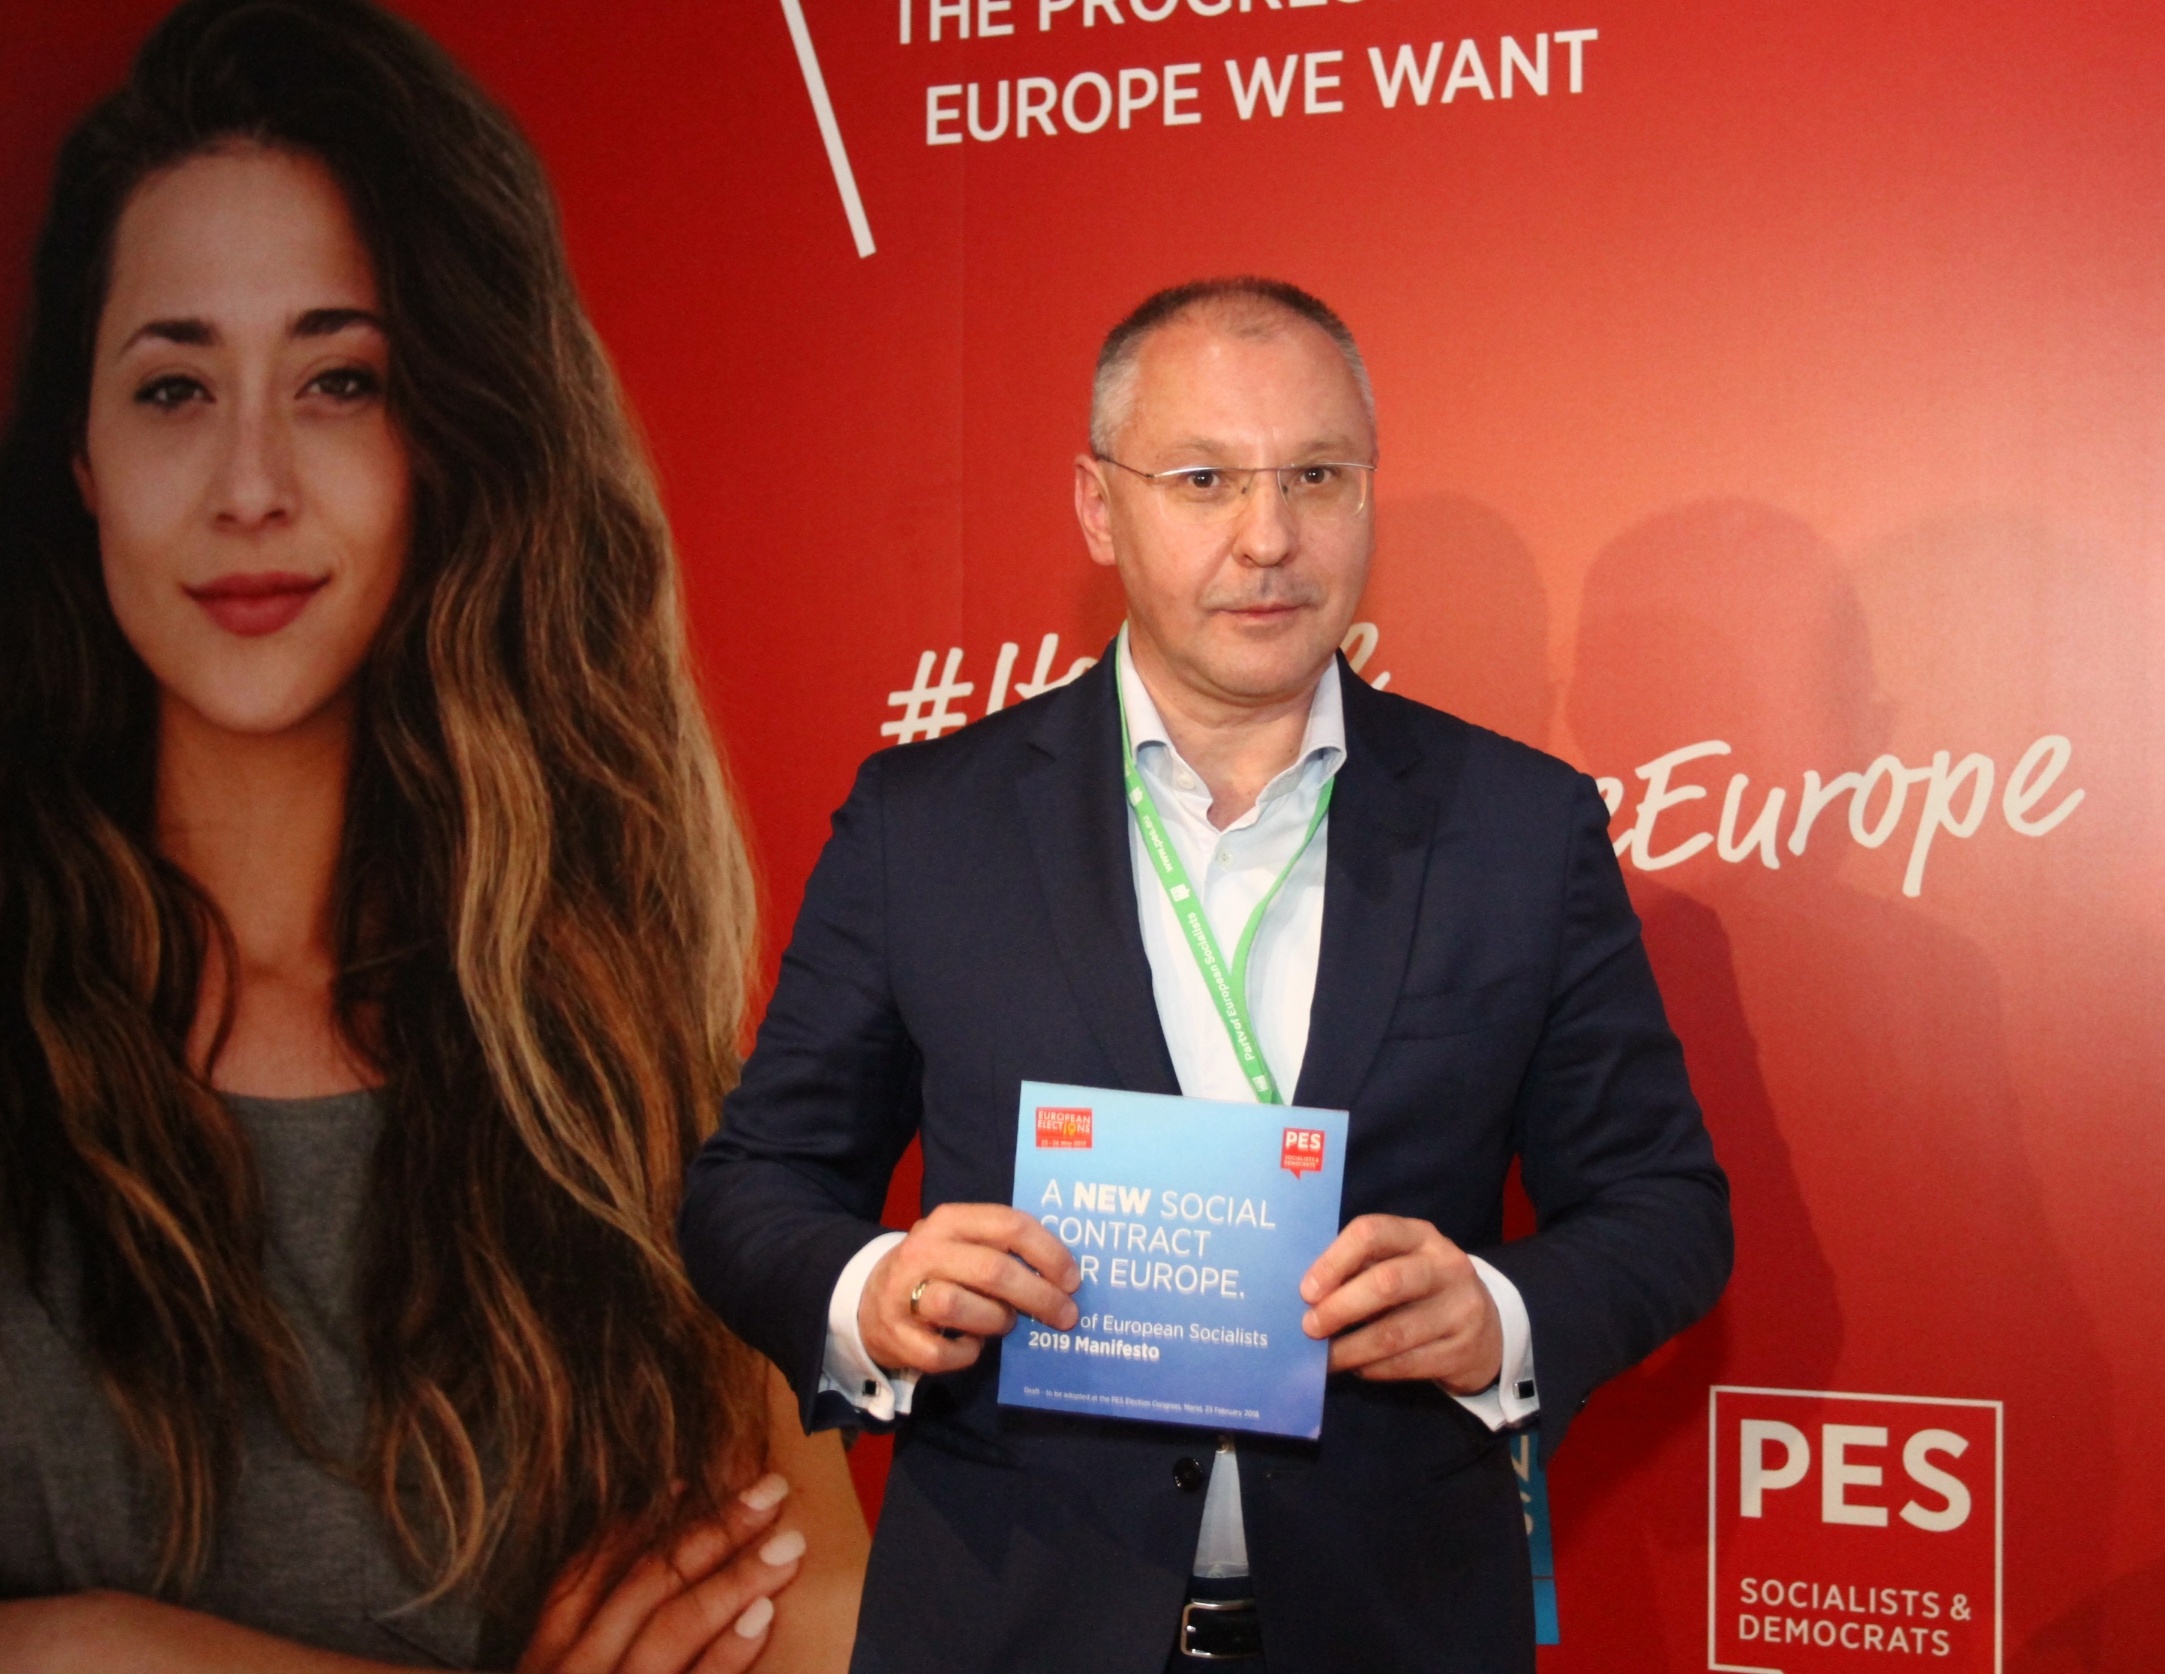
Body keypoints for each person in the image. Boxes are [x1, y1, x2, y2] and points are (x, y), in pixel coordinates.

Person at [678, 276, 1732, 1672]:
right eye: (1203, 479)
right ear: (1097, 507)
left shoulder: (1518, 829)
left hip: (1394, 1627)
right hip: (1013, 1626)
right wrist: (870, 1292)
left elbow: (1665, 1208)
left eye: (1317, 475)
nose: (1269, 535)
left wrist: (1497, 1317)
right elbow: (751, 1186)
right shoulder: (924, 825)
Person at [0, 2, 866, 1669]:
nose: (250, 483)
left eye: (341, 380)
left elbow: (822, 1611)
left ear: (448, 441)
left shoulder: (601, 1045)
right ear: (84, 459)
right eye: (173, 386)